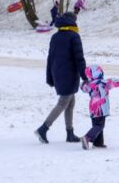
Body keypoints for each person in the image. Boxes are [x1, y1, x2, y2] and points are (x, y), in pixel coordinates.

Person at [35, 12, 87, 144]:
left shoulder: (55, 37)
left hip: (57, 73)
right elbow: (79, 58)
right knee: (63, 102)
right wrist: (85, 75)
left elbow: (50, 58)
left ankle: (70, 133)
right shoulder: (74, 36)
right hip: (69, 74)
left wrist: (49, 76)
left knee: (70, 102)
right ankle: (43, 128)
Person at [79, 65, 119, 150]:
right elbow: (115, 82)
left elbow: (82, 87)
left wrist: (85, 81)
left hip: (93, 108)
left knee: (96, 126)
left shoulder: (89, 84)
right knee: (99, 126)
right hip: (101, 108)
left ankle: (98, 143)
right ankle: (87, 137)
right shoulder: (104, 83)